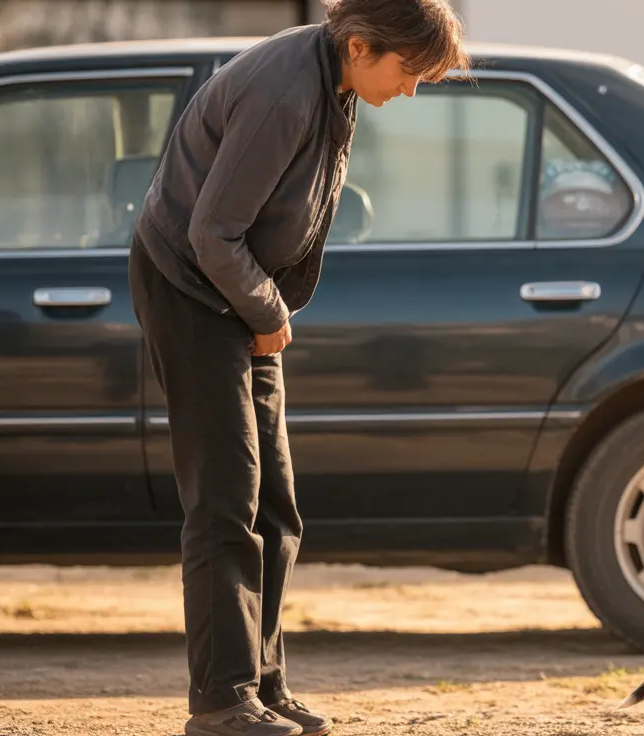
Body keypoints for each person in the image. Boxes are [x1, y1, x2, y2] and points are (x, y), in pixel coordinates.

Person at [127, 2, 469, 734]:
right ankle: (220, 703)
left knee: (276, 504)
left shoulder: (336, 78)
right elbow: (211, 233)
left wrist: (267, 309)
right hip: (192, 287)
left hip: (243, 295)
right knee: (226, 499)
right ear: (359, 44)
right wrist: (270, 314)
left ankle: (261, 683)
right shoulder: (285, 91)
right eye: (410, 73)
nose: (411, 91)